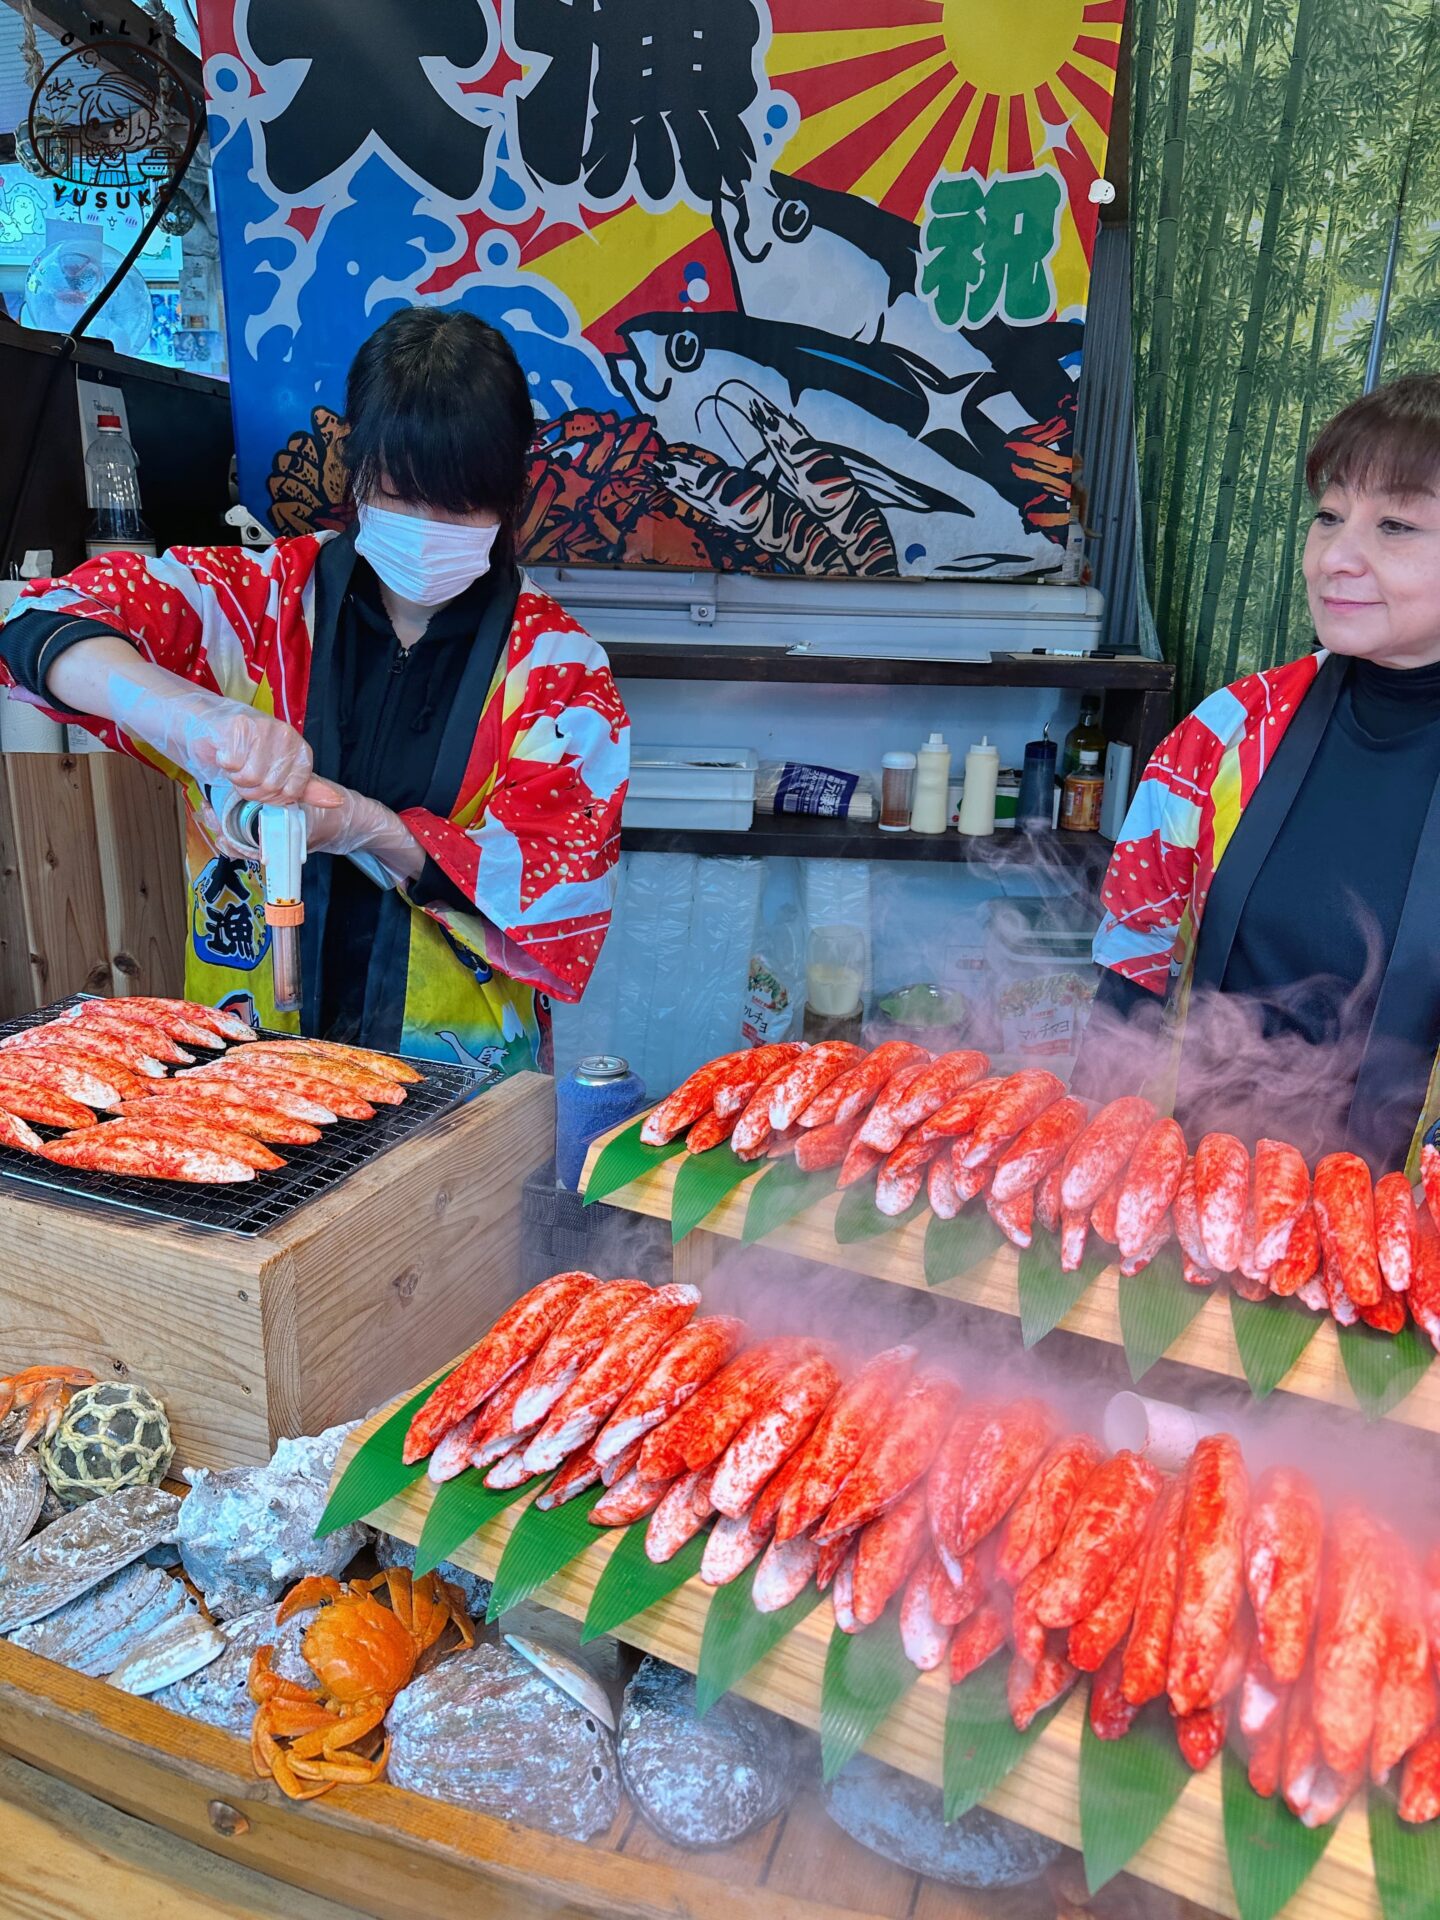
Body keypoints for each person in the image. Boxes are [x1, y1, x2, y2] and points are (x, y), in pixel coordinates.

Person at [0, 308, 630, 1073]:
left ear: (510, 495)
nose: (426, 524)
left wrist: (367, 826)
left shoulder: (558, 672)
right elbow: (41, 621)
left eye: (459, 503)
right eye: (398, 494)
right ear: (357, 473)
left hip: (457, 1081)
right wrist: (193, 715)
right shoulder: (254, 602)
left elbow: (563, 893)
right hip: (248, 1058)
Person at [1078, 373, 1440, 1177]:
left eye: (1395, 526)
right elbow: (1134, 966)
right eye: (1329, 516)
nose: (1336, 559)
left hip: (1406, 1247)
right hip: (1196, 1198)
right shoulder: (1230, 730)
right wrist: (1096, 1163)